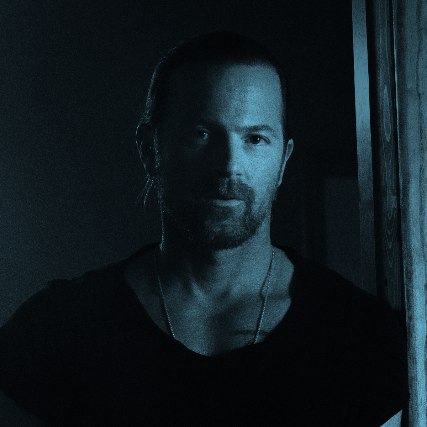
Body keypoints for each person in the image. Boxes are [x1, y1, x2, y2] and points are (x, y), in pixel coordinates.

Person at [0, 31, 408, 426]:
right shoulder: (56, 330)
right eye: (201, 134)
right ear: (150, 149)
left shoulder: (360, 335)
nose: (229, 165)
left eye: (255, 139)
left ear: (283, 161)